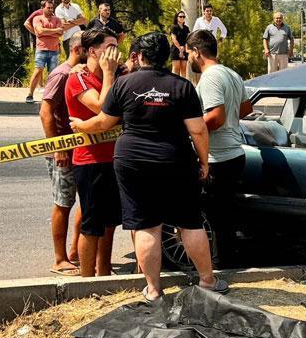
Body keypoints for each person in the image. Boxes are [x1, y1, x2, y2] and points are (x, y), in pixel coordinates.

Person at [70, 32, 228, 302]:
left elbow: (103, 122)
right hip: (176, 161)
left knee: (146, 226)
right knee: (189, 222)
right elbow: (198, 130)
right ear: (166, 57)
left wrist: (79, 126)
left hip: (132, 162)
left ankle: (153, 290)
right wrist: (204, 161)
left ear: (140, 56)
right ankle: (207, 280)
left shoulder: (123, 84)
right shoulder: (182, 86)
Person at [188, 29, 253, 266]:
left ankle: (217, 268)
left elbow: (215, 118)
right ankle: (225, 264)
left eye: (188, 54)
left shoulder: (211, 77)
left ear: (196, 52)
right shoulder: (232, 74)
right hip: (234, 154)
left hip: (218, 157)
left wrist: (189, 126)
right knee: (224, 220)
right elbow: (245, 109)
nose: (187, 60)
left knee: (213, 221)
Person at [64, 28, 121, 277]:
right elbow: (101, 107)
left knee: (109, 224)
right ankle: (86, 280)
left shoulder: (115, 76)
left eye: (115, 46)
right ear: (91, 51)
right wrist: (108, 73)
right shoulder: (78, 78)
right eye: (108, 47)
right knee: (92, 224)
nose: (113, 52)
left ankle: (104, 273)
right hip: (90, 160)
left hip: (114, 158)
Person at [39, 32, 85, 276]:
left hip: (79, 149)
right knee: (63, 202)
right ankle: (59, 259)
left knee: (84, 201)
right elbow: (45, 112)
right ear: (78, 50)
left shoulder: (79, 74)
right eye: (90, 49)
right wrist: (57, 147)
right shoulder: (61, 74)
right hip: (62, 152)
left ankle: (76, 251)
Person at [27, 0, 63, 104]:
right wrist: (54, 31)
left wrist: (46, 32)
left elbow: (60, 32)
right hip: (41, 49)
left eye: (52, 8)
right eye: (48, 8)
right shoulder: (37, 18)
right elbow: (39, 31)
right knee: (38, 71)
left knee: (53, 74)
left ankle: (49, 96)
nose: (51, 10)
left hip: (54, 50)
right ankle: (30, 94)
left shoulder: (57, 19)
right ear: (43, 8)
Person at [170, 11, 190, 77]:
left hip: (184, 49)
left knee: (184, 69)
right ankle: (173, 86)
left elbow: (187, 39)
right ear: (177, 18)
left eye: (183, 17)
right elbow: (173, 39)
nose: (182, 18)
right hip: (176, 49)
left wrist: (185, 49)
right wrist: (180, 48)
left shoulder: (186, 28)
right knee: (176, 69)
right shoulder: (174, 27)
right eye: (180, 16)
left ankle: (182, 86)